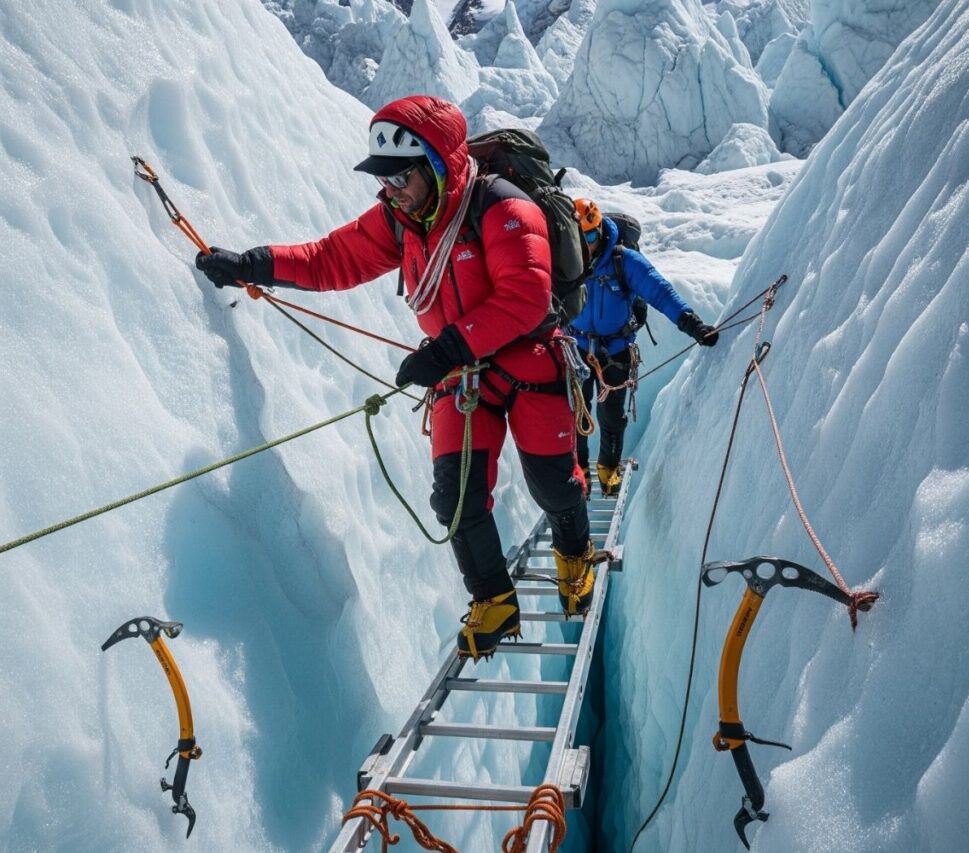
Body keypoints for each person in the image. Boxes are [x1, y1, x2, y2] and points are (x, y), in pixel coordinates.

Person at [195, 95, 595, 661]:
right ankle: (494, 600)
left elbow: (527, 298)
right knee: (454, 499)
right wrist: (252, 266)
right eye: (384, 178)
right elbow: (331, 258)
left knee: (554, 485)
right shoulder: (405, 218)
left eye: (400, 176)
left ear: (435, 166)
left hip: (527, 363)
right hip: (461, 374)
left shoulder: (504, 208)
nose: (389, 189)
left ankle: (574, 555)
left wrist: (448, 347)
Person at [567, 198, 718, 498]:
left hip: (615, 352)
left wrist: (691, 323)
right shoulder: (564, 261)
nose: (587, 245)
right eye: (580, 238)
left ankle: (607, 470)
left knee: (612, 418)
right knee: (574, 417)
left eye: (592, 236)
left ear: (600, 231)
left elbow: (659, 291)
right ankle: (579, 471)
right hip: (576, 349)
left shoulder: (623, 261)